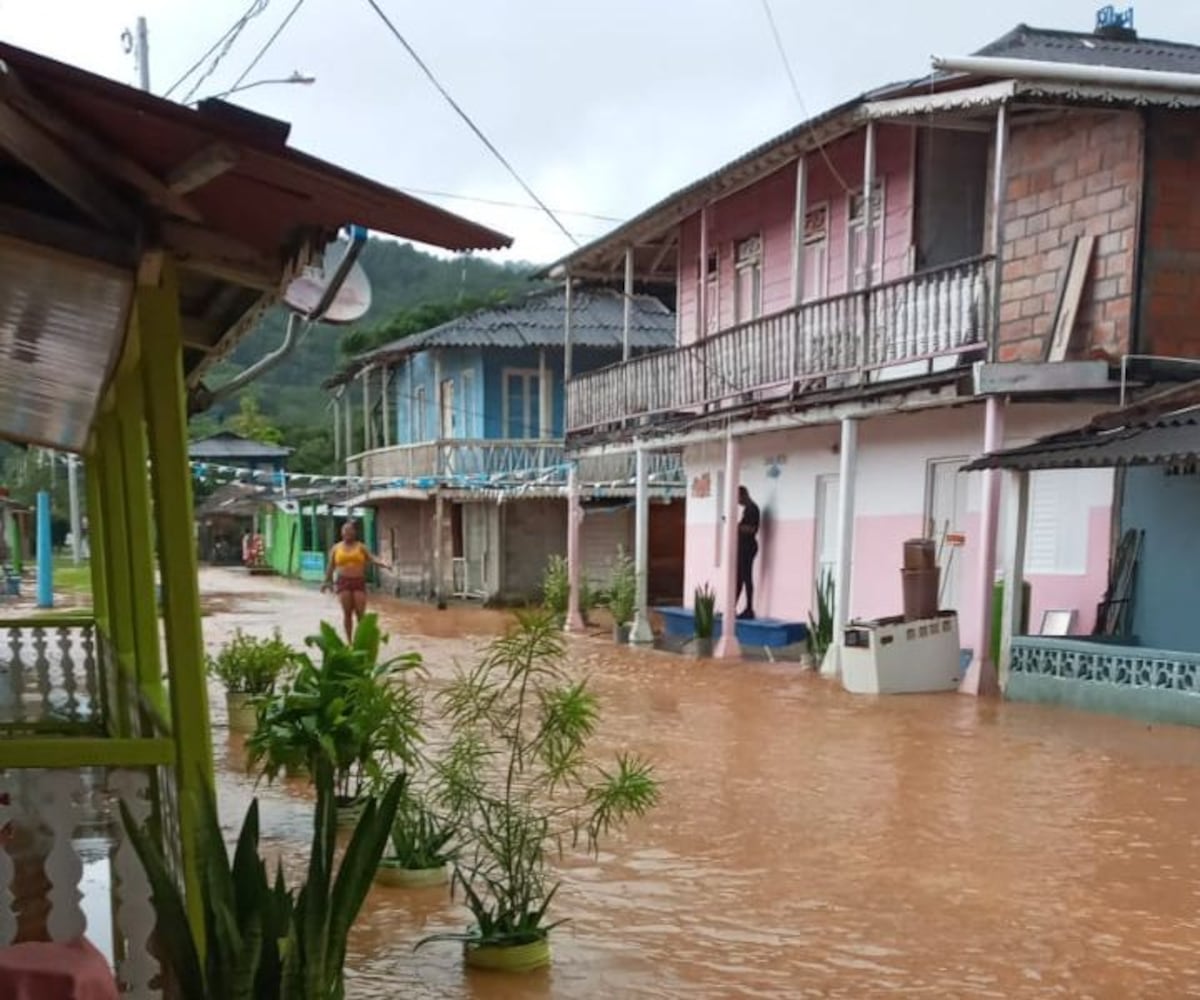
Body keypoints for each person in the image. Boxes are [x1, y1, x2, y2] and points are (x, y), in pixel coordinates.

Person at [321, 521, 392, 641]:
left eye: (350, 530)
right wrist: (326, 581)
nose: (347, 533)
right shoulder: (336, 548)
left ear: (354, 532)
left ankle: (362, 641)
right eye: (345, 530)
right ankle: (349, 642)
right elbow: (331, 566)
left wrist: (384, 563)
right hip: (343, 582)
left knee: (361, 614)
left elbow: (372, 558)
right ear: (341, 533)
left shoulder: (361, 547)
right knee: (347, 613)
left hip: (358, 582)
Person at [736, 486, 760, 620]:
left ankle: (749, 609)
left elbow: (752, 529)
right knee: (739, 578)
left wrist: (737, 526)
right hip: (742, 547)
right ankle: (732, 607)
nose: (737, 502)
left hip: (748, 547)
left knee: (746, 578)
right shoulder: (747, 509)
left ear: (743, 495)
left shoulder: (752, 509)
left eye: (738, 498)